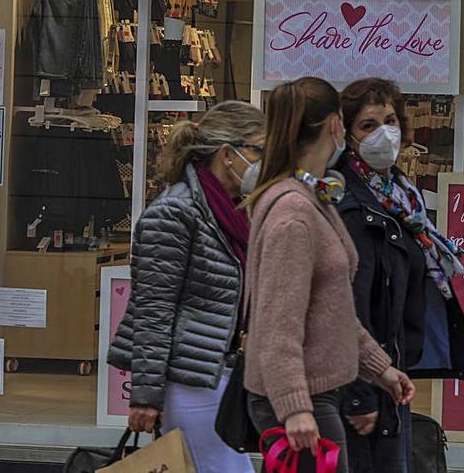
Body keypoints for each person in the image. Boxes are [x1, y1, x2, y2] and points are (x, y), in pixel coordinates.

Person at [243, 77, 416, 473]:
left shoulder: (310, 198)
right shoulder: (294, 214)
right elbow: (276, 324)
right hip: (304, 397)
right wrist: (295, 408)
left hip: (318, 391)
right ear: (338, 125)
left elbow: (332, 306)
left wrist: (379, 367)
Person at [108, 100, 265, 472]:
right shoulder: (175, 212)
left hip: (221, 375)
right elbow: (153, 309)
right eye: (260, 150)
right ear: (228, 154)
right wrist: (147, 397)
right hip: (188, 382)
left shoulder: (232, 211)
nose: (266, 162)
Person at [336, 78, 464, 472]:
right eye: (368, 125)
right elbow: (350, 307)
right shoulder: (350, 202)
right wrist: (360, 394)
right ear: (345, 133)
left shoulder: (399, 197)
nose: (384, 134)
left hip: (394, 374)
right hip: (366, 382)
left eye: (390, 121)